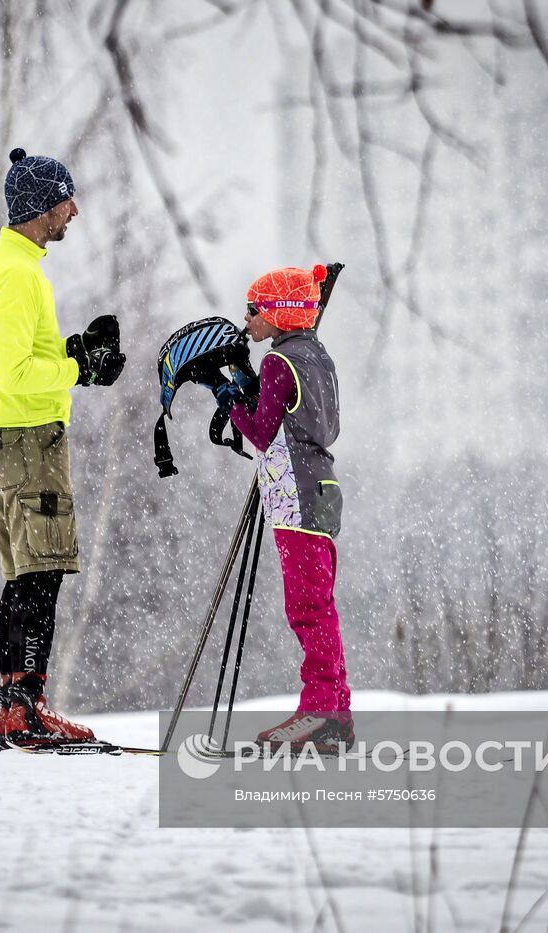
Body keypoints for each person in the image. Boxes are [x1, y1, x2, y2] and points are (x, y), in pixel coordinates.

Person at [0, 148, 125, 747]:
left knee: (24, 575)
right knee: (43, 572)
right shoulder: (17, 274)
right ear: (40, 206)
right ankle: (28, 708)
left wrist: (72, 350)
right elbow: (14, 372)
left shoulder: (3, 263)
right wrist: (77, 368)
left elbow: (19, 357)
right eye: (66, 200)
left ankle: (16, 706)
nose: (74, 211)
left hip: (1, 433)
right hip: (25, 436)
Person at [221, 264, 353, 751]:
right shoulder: (317, 358)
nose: (249, 320)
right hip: (323, 490)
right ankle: (335, 713)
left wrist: (228, 396)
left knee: (306, 610)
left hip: (293, 496)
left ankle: (319, 711)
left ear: (278, 314)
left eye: (254, 310)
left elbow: (260, 432)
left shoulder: (280, 363)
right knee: (321, 607)